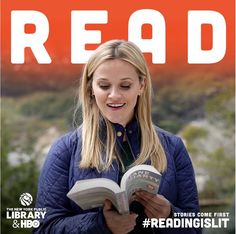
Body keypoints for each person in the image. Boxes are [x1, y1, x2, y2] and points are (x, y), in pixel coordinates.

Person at [34, 40, 200, 234]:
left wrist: (169, 216)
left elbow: (194, 228)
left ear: (141, 85)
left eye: (125, 86)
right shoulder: (65, 149)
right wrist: (100, 225)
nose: (114, 95)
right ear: (90, 88)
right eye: (104, 86)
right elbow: (43, 228)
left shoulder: (173, 147)